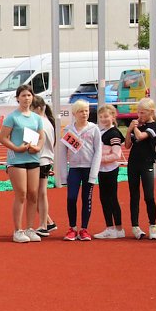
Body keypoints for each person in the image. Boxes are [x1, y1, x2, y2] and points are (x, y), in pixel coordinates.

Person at [0, 84, 44, 243]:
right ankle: (18, 230)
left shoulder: (37, 118)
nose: (26, 98)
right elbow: (3, 137)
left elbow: (41, 136)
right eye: (23, 95)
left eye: (29, 95)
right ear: (18, 98)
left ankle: (30, 228)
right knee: (22, 194)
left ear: (33, 97)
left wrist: (37, 147)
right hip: (16, 160)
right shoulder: (12, 117)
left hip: (33, 158)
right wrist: (16, 148)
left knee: (33, 194)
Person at [56, 100, 101, 241]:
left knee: (87, 199)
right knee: (71, 198)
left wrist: (94, 173)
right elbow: (62, 154)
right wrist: (63, 175)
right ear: (75, 113)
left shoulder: (94, 129)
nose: (85, 114)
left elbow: (98, 151)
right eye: (81, 111)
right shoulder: (68, 130)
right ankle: (72, 228)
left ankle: (84, 229)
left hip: (88, 169)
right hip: (74, 169)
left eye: (86, 111)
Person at [124, 97, 156, 240]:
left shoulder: (155, 126)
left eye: (143, 113)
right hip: (133, 163)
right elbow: (127, 145)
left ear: (151, 112)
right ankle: (135, 226)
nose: (139, 116)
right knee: (134, 195)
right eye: (138, 113)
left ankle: (153, 225)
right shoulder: (137, 125)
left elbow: (141, 136)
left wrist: (135, 127)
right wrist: (129, 130)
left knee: (149, 196)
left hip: (146, 164)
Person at [94, 105, 126, 239]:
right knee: (104, 198)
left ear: (113, 116)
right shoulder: (102, 132)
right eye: (101, 117)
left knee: (111, 198)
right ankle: (110, 227)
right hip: (102, 170)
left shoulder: (114, 134)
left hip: (110, 169)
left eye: (106, 116)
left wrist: (99, 159)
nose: (103, 119)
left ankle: (118, 228)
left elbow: (116, 155)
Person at [31, 95, 57, 237]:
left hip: (39, 160)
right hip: (46, 159)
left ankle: (43, 224)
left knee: (37, 195)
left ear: (39, 108)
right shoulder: (48, 122)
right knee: (39, 194)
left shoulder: (37, 122)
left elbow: (30, 143)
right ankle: (48, 221)